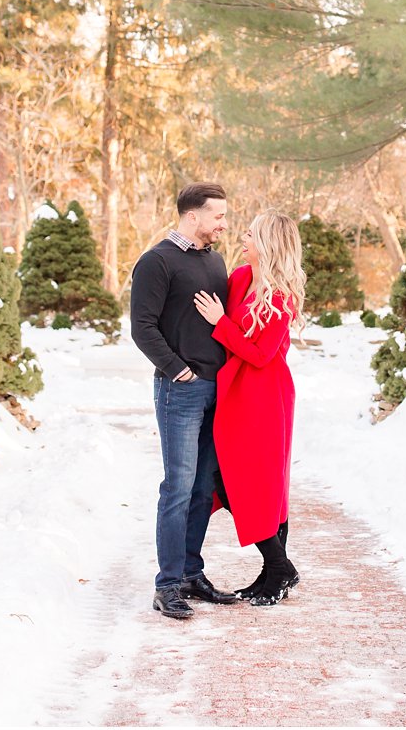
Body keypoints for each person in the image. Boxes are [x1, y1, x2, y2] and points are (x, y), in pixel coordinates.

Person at [130, 181, 239, 620]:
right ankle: (168, 584)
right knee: (177, 486)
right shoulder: (157, 261)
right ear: (192, 216)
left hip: (219, 389)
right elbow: (143, 327)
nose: (224, 224)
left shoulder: (215, 261)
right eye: (218, 216)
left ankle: (192, 573)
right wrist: (179, 369)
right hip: (181, 389)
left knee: (202, 488)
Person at [193, 210, 306, 607]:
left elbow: (260, 355)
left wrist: (221, 324)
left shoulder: (280, 296)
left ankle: (277, 568)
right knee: (232, 478)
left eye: (252, 234)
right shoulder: (240, 278)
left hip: (265, 396)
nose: (243, 237)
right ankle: (276, 568)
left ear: (269, 244)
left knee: (261, 482)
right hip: (235, 392)